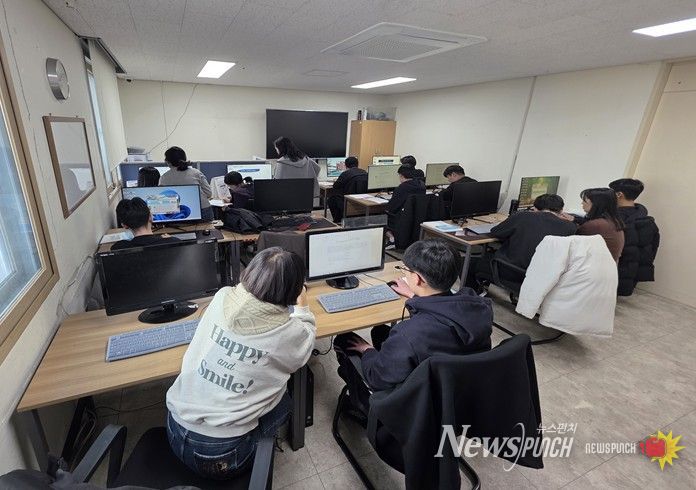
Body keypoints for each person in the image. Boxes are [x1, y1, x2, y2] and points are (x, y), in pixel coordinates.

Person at [166, 247, 316, 479]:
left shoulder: (222, 296)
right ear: (295, 289)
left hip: (174, 430)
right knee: (285, 399)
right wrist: (302, 306)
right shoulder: (290, 330)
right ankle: (260, 446)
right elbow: (305, 344)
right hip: (222, 455)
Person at [333, 239, 492, 414]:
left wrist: (367, 350)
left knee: (344, 340)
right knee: (380, 331)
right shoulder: (479, 308)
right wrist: (416, 296)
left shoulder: (408, 335)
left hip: (416, 408)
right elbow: (440, 317)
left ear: (417, 278)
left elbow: (377, 378)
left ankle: (362, 405)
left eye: (406, 270)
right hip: (455, 392)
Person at [466, 194, 578, 288]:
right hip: (542, 277)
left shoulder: (523, 216)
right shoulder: (571, 227)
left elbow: (496, 232)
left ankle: (474, 297)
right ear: (561, 211)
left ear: (535, 208)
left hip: (512, 271)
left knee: (467, 262)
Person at [608, 178, 660, 295]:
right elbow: (652, 249)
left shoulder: (615, 219)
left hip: (612, 272)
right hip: (630, 273)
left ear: (619, 194)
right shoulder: (646, 220)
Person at [159, 146, 214, 221]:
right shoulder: (196, 173)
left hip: (178, 213)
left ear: (168, 162)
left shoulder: (164, 178)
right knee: (206, 228)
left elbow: (163, 201)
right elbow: (208, 194)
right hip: (203, 210)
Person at [111, 197, 180, 250]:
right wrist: (170, 239)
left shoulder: (118, 248)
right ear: (151, 217)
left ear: (124, 225)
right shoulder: (174, 243)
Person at [577, 188, 625, 262]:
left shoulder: (594, 225)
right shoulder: (613, 221)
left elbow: (576, 246)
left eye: (585, 200)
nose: (582, 203)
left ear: (596, 204)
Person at [386, 165, 426, 231]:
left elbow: (391, 208)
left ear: (401, 175)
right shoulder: (421, 185)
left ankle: (390, 235)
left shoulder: (401, 188)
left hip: (401, 220)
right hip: (416, 220)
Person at [328, 156, 365, 222]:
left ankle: (338, 220)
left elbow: (335, 186)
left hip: (349, 202)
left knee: (331, 199)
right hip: (362, 201)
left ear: (346, 165)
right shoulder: (364, 172)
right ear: (357, 164)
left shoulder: (345, 174)